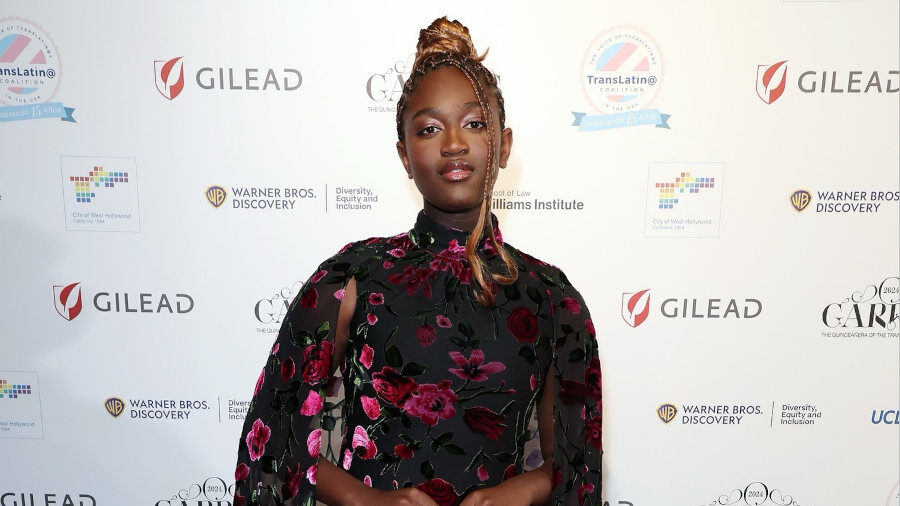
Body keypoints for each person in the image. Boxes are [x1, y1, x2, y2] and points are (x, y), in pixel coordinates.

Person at [234, 17, 602, 506]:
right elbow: (274, 437)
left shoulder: (553, 298)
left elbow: (572, 463)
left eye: (474, 123)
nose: (453, 143)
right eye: (429, 128)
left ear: (505, 145)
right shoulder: (352, 279)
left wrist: (517, 491)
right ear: (405, 156)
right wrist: (373, 501)